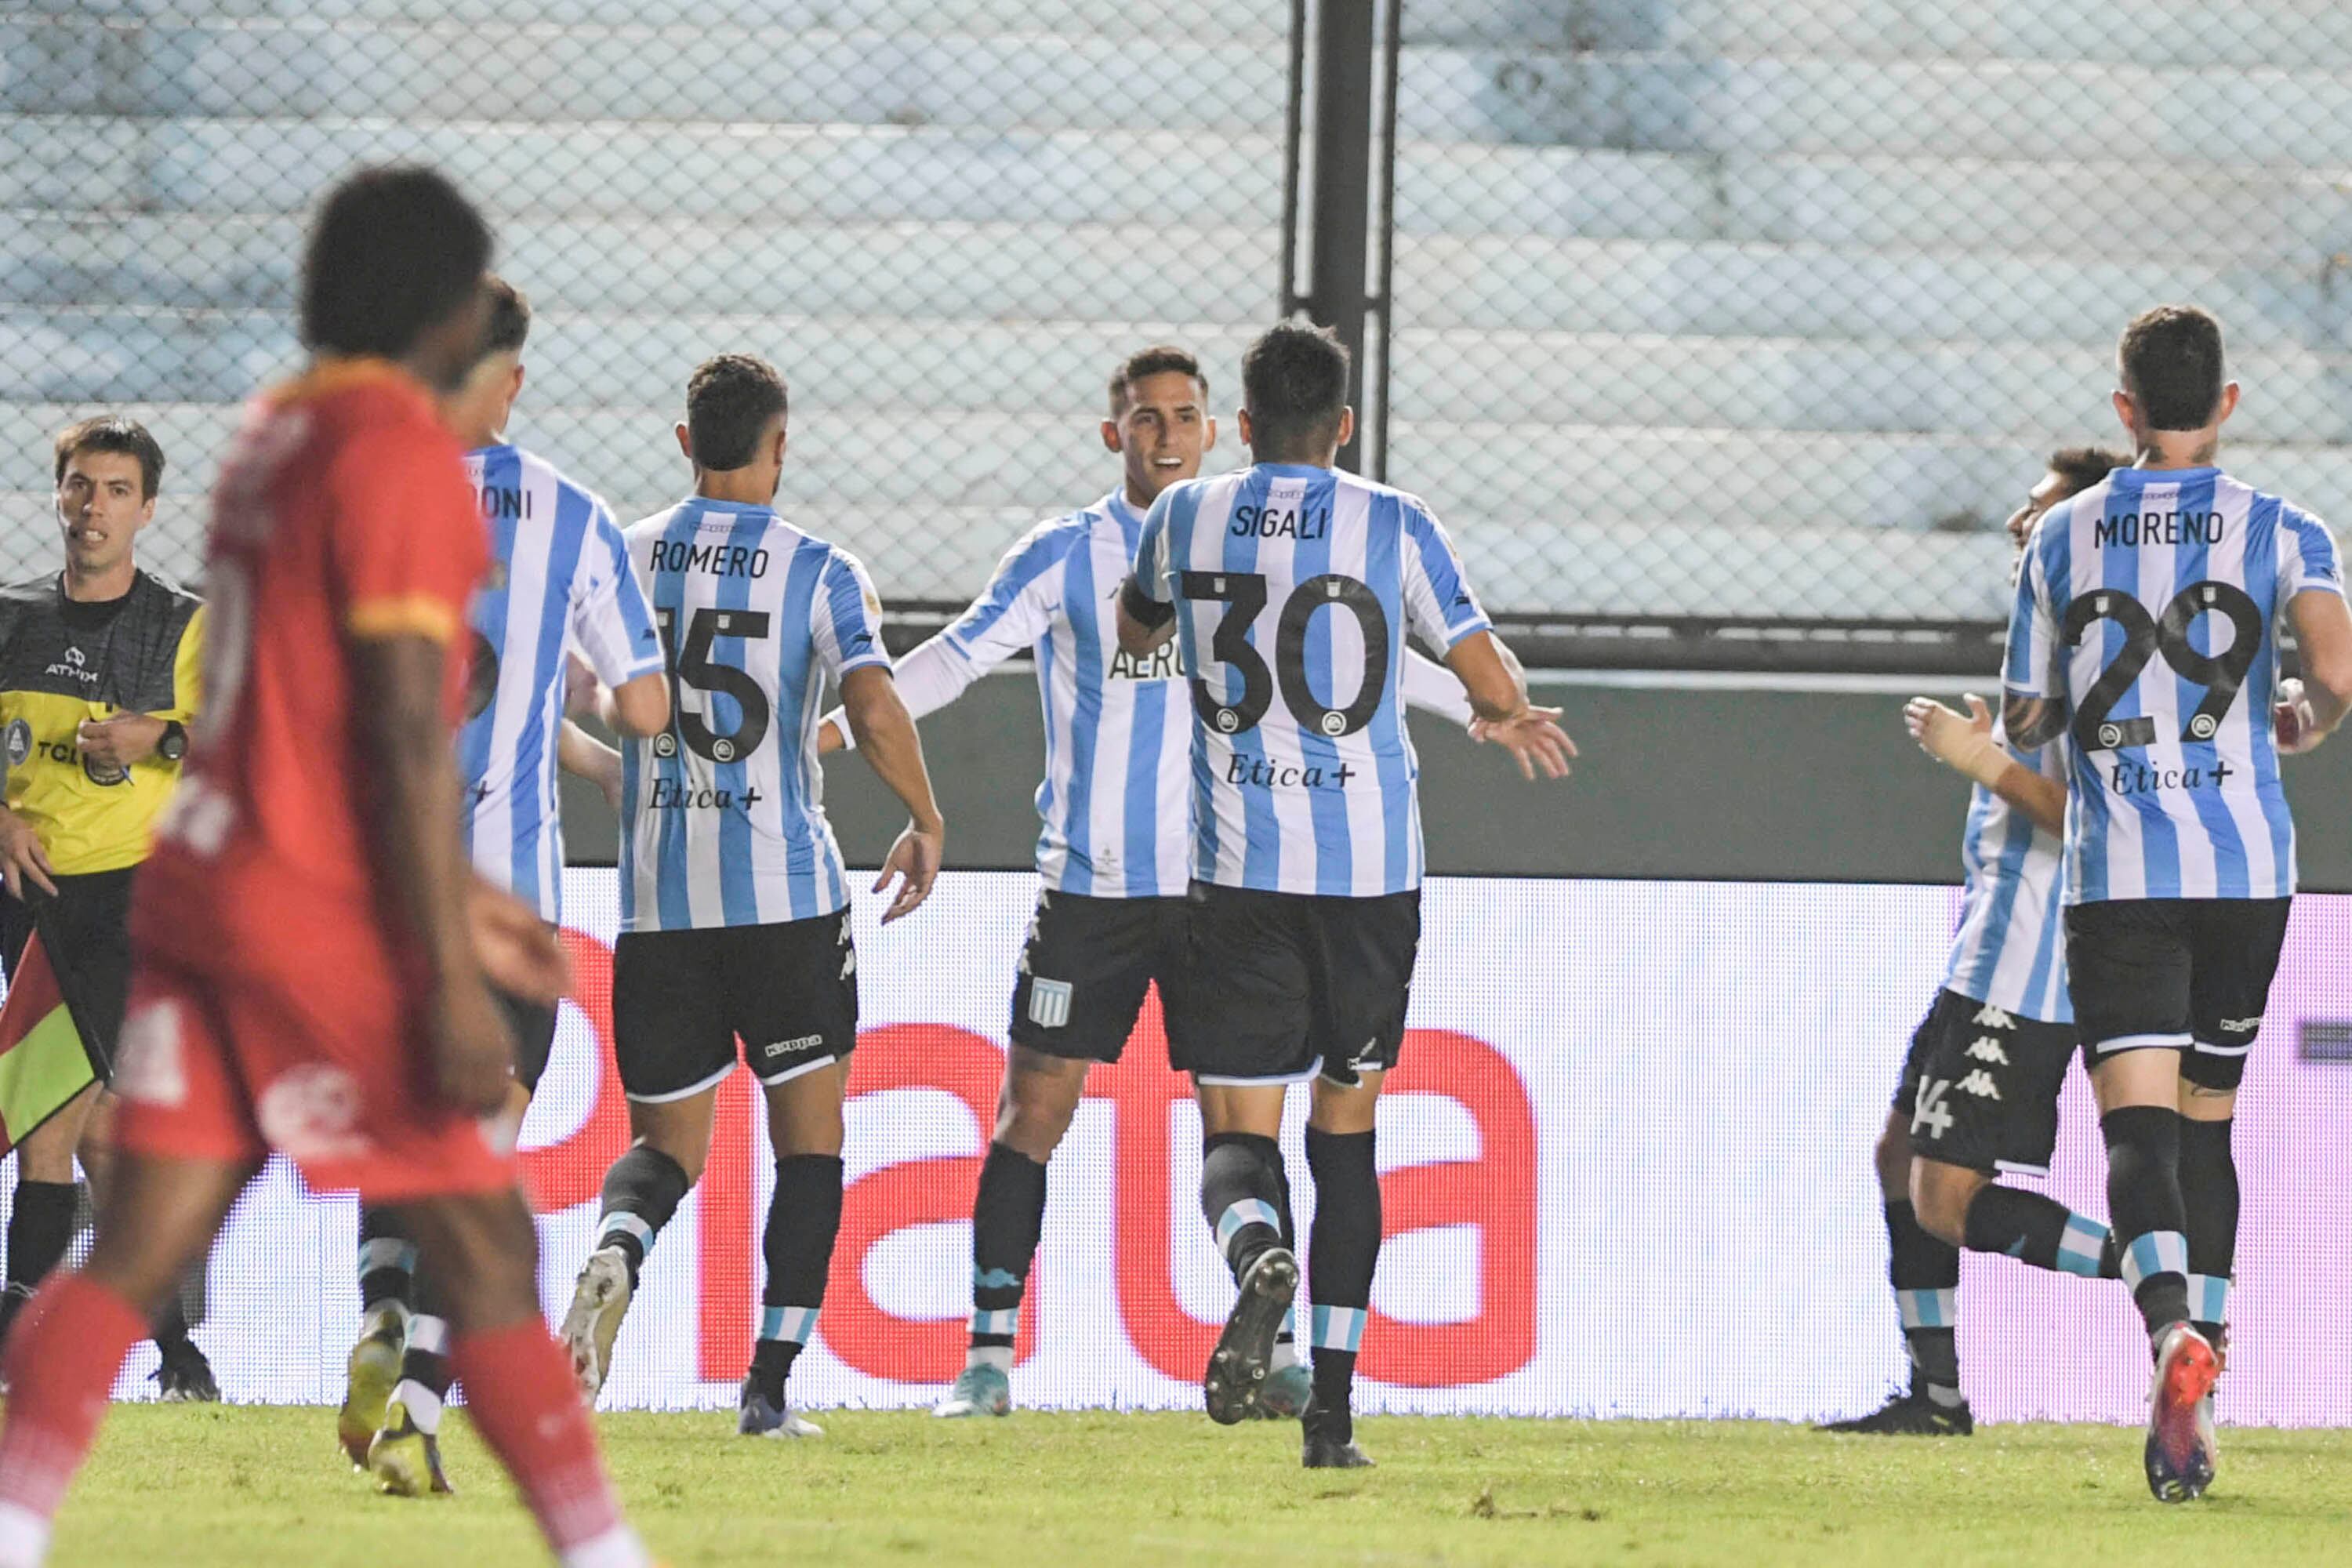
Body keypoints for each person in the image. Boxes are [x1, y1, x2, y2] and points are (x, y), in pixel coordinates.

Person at [0, 166, 653, 1568]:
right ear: (437, 305)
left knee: (131, 1259)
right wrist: (453, 959)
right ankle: (603, 1551)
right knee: (484, 1253)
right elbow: (403, 741)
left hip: (201, 899)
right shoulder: (408, 467)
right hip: (322, 925)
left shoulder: (268, 437)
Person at [808, 346, 1555, 1421]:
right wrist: (837, 733)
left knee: (1234, 1122)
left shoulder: (1212, 531)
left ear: (1221, 430)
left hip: (1216, 885)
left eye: (1184, 416)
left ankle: (1278, 1339)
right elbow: (958, 656)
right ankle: (985, 1360)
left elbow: (1383, 658)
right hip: (1099, 886)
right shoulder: (1069, 553)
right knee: (1035, 1110)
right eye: (1144, 418)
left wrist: (1477, 712)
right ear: (1114, 435)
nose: (1165, 434)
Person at [1115, 320, 1570, 1468]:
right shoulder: (1393, 519)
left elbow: (1138, 622)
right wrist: (1505, 709)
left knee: (1236, 1130)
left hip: (1240, 875)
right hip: (1369, 880)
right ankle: (1331, 1418)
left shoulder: (1184, 513)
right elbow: (1480, 663)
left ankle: (1257, 1245)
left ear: (1246, 425)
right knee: (1349, 1131)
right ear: (1347, 425)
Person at [557, 353, 946, 1439]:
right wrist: (927, 817)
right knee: (809, 1148)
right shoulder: (818, 569)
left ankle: (615, 1252)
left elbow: (545, 699)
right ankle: (768, 1391)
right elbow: (870, 707)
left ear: (686, 444)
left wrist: (608, 773)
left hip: (659, 909)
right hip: (785, 902)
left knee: (667, 1153)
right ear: (781, 447)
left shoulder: (619, 564)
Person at [2002, 304, 2352, 1502]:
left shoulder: (2060, 539)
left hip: (2124, 879)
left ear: (2124, 410)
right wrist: (2300, 716)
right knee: (2211, 1125)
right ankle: (2211, 1386)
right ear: (2230, 403)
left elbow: (2027, 716)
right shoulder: (2286, 527)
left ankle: (2169, 1341)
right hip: (2247, 873)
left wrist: (2064, 713)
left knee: (2136, 1134)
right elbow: (2337, 673)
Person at [339, 275, 672, 1495]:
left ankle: (380, 1305)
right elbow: (643, 704)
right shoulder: (571, 516)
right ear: (513, 377)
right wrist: (588, 710)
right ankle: (419, 1408)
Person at [1818, 447, 2129, 1438]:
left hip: (2030, 972)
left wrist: (1982, 759)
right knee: (1897, 1154)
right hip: (1985, 958)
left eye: (2035, 515)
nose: (2015, 526)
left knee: (1948, 1198)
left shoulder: (2102, 650)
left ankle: (2164, 1276)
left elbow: (2093, 816)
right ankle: (1938, 1398)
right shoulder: (2052, 641)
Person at [0, 416, 216, 1400]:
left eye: (116, 491)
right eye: (80, 487)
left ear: (148, 508)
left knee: (64, 1123)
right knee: (95, 1133)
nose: (94, 508)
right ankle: (176, 1351)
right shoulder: (11, 618)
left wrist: (158, 741)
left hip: (131, 899)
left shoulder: (184, 624)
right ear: (57, 495)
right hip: (26, 897)